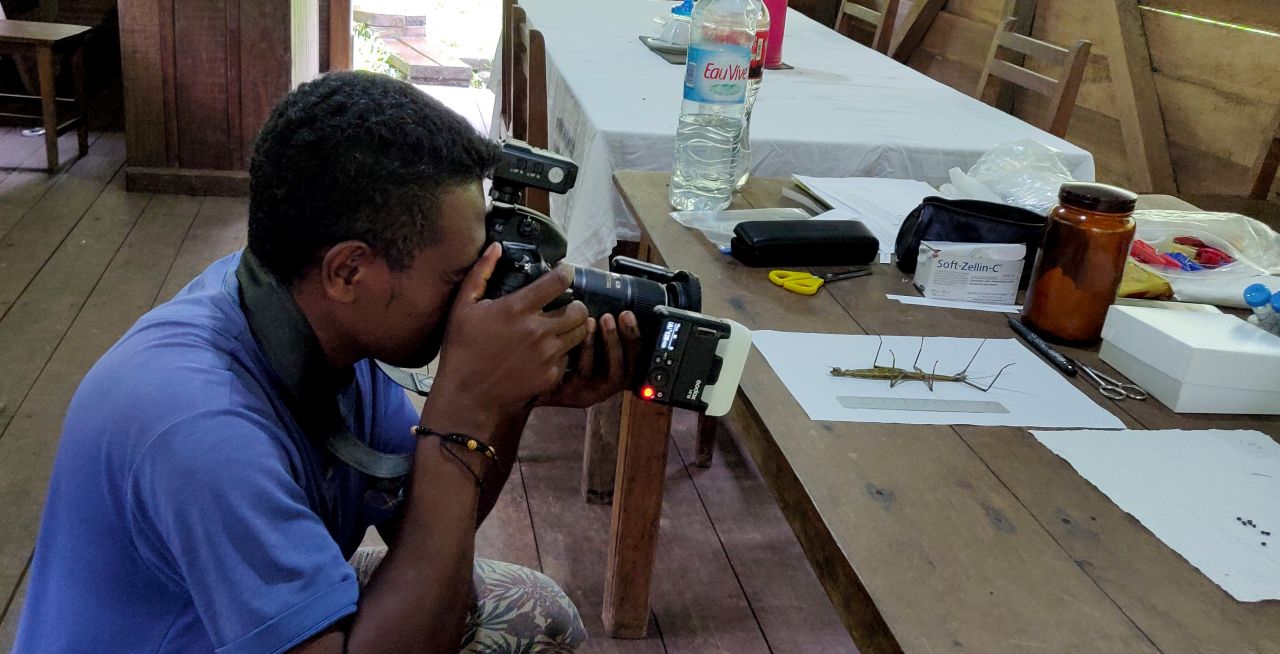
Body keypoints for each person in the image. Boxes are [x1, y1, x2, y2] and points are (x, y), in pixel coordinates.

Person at [14, 71, 641, 653]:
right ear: (348, 270)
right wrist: (467, 411)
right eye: (459, 277)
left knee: (538, 612)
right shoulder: (200, 426)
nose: (476, 299)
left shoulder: (302, 309)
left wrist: (507, 400)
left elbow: (430, 520)